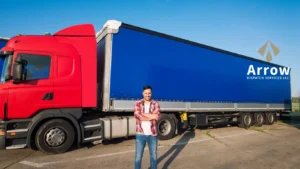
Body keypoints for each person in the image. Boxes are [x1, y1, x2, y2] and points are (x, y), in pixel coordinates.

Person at [134, 85, 161, 169]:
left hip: (152, 135)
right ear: (143, 93)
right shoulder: (137, 103)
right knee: (138, 157)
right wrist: (151, 116)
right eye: (146, 93)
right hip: (140, 134)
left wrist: (143, 114)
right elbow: (138, 116)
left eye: (149, 93)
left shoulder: (156, 103)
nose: (147, 95)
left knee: (153, 156)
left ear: (151, 93)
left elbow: (157, 117)